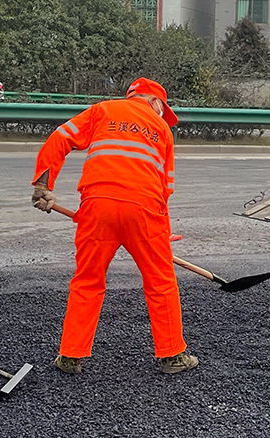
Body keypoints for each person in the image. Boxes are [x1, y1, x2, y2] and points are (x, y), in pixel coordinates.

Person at [32, 78, 196, 376]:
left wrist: (43, 185)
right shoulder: (163, 131)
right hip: (145, 210)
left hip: (97, 207)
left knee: (87, 281)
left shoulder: (101, 111)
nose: (163, 114)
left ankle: (70, 355)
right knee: (160, 283)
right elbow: (165, 188)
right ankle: (173, 356)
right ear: (155, 102)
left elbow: (59, 138)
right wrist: (161, 236)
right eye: (163, 108)